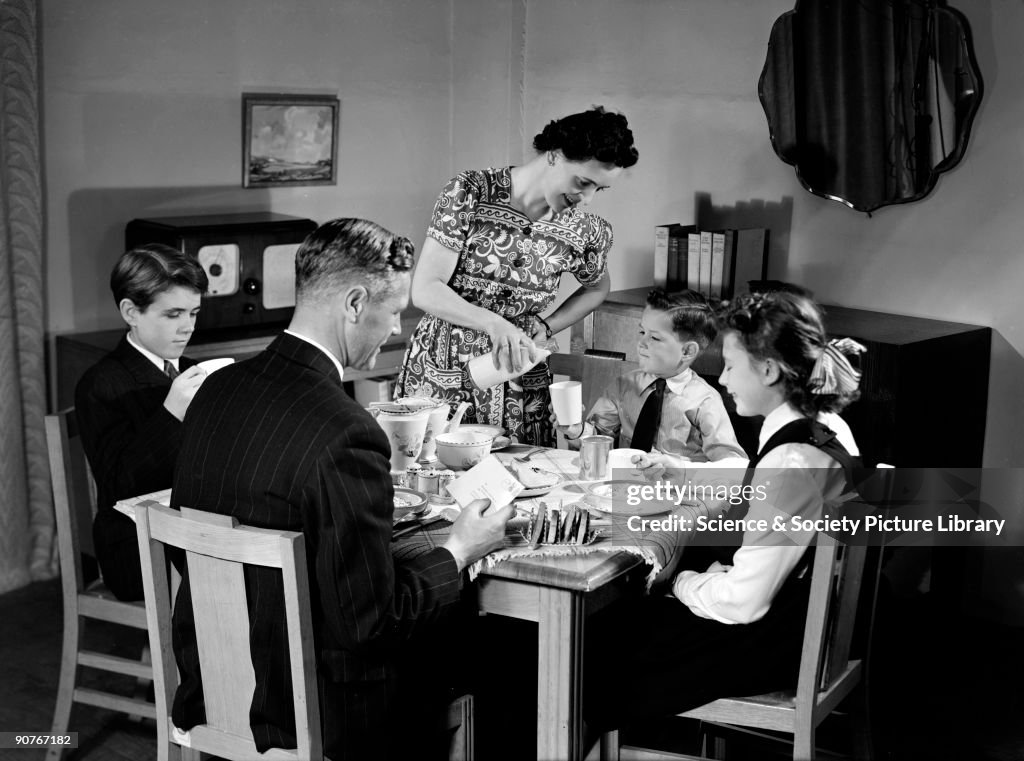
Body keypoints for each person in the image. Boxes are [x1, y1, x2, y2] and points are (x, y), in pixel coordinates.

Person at [169, 218, 513, 761]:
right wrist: (459, 549)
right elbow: (371, 624)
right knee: (502, 653)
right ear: (355, 303)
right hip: (316, 708)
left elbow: (187, 547)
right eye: (395, 310)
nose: (396, 328)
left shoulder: (215, 391)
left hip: (214, 681)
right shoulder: (348, 431)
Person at [584, 289, 865, 731]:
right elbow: (763, 489)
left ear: (769, 370)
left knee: (592, 640)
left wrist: (683, 583)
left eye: (732, 366)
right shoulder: (822, 425)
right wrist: (681, 470)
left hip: (778, 636)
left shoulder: (791, 460)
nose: (726, 380)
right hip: (809, 615)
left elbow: (742, 604)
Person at [397, 106, 639, 446]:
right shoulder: (470, 193)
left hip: (522, 379)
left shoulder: (585, 230)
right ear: (554, 155)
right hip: (443, 367)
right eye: (583, 182)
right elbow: (425, 289)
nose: (586, 198)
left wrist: (548, 325)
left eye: (599, 190)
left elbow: (596, 288)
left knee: (523, 479)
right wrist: (494, 324)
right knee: (436, 474)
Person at [75, 243, 208, 601]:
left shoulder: (193, 368)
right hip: (135, 545)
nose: (187, 328)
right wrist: (171, 414)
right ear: (131, 312)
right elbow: (119, 484)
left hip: (190, 526)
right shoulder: (101, 383)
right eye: (173, 314)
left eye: (194, 313)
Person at [557, 288, 747, 463]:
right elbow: (599, 438)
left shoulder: (705, 401)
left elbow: (731, 465)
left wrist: (681, 469)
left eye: (654, 337)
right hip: (625, 488)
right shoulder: (624, 385)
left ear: (688, 351)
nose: (641, 342)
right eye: (642, 331)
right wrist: (576, 431)